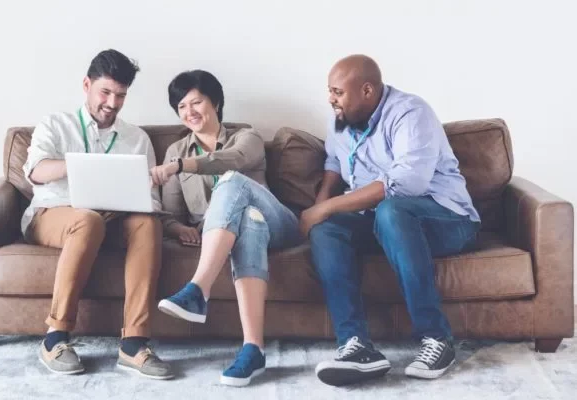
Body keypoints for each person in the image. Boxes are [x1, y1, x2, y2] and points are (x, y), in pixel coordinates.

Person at [300, 54, 480, 386]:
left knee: (391, 209)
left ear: (367, 90)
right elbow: (334, 162)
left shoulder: (410, 113)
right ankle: (355, 346)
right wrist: (322, 206)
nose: (331, 99)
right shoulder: (341, 119)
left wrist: (327, 207)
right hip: (383, 221)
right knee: (328, 229)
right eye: (329, 91)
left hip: (448, 219)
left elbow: (405, 184)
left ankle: (437, 339)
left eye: (337, 92)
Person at [22, 49, 174, 379]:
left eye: (120, 95)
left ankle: (134, 343)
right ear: (86, 84)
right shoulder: (56, 124)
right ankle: (55, 337)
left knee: (147, 224)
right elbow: (35, 171)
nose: (112, 102)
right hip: (55, 212)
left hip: (114, 218)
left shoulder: (137, 138)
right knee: (86, 219)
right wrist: (79, 167)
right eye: (105, 92)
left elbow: (151, 198)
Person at [150, 69, 302, 387]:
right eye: (181, 107)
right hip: (247, 229)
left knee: (233, 182)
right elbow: (171, 214)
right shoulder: (175, 151)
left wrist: (179, 167)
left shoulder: (246, 136)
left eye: (196, 102)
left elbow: (230, 160)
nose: (189, 112)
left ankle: (197, 289)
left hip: (280, 224)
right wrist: (179, 229)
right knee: (248, 223)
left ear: (216, 102)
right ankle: (252, 349)